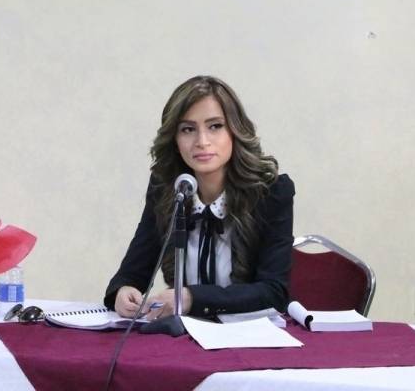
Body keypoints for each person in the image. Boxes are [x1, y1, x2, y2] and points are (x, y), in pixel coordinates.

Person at [104, 75, 295, 321]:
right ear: (174, 139)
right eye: (188, 129)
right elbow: (133, 271)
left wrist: (191, 298)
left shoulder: (272, 192)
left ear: (235, 130)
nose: (202, 142)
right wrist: (123, 291)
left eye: (215, 126)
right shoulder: (166, 188)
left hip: (247, 335)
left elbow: (273, 292)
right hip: (182, 335)